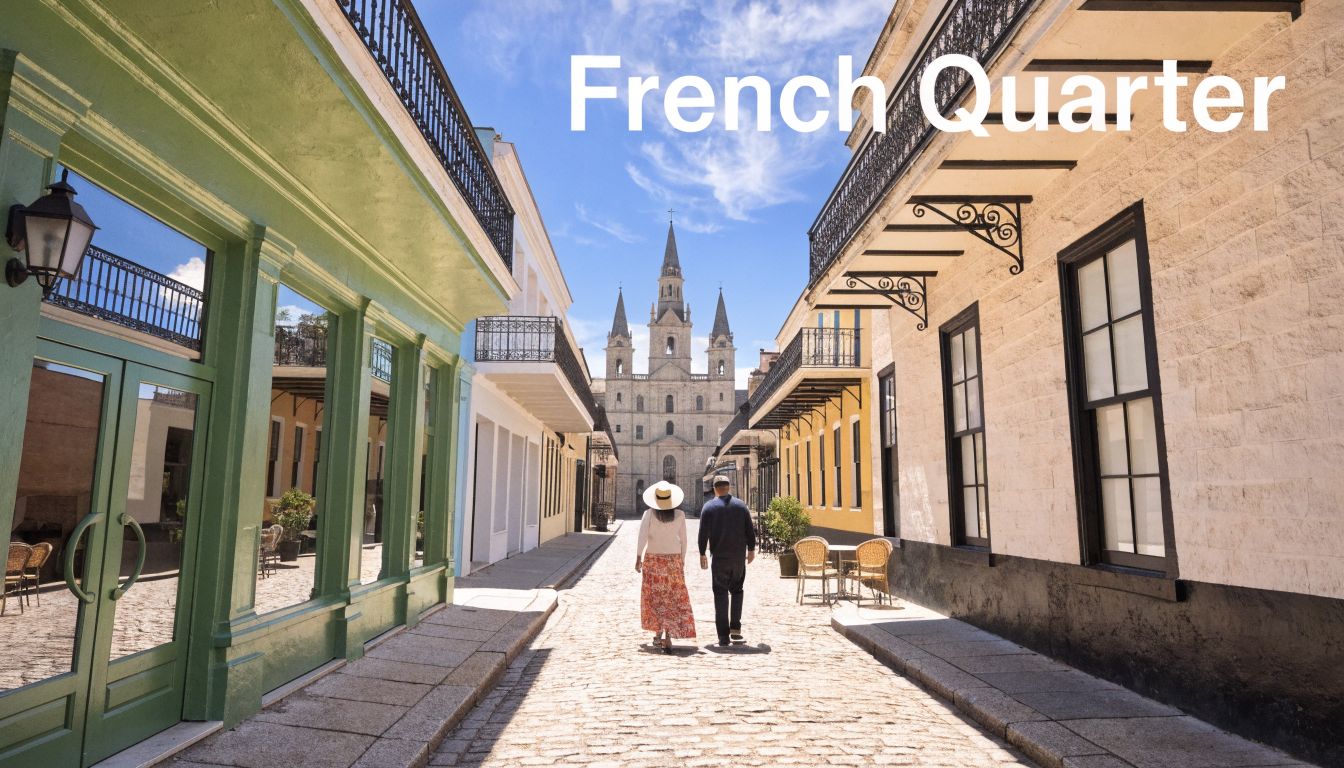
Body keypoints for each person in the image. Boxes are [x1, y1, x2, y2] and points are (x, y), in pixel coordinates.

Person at [635, 480, 695, 653]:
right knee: (672, 597)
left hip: (653, 560)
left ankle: (657, 633)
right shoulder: (680, 515)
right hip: (673, 561)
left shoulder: (649, 514)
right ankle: (668, 635)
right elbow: (684, 540)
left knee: (654, 598)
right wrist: (681, 560)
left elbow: (642, 536)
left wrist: (638, 556)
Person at [698, 475, 755, 646]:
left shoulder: (708, 507)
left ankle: (723, 636)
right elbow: (749, 530)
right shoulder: (741, 505)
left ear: (715, 488)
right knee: (737, 591)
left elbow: (703, 533)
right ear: (729, 487)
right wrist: (751, 549)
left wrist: (702, 553)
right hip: (738, 558)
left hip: (720, 558)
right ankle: (735, 630)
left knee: (721, 594)